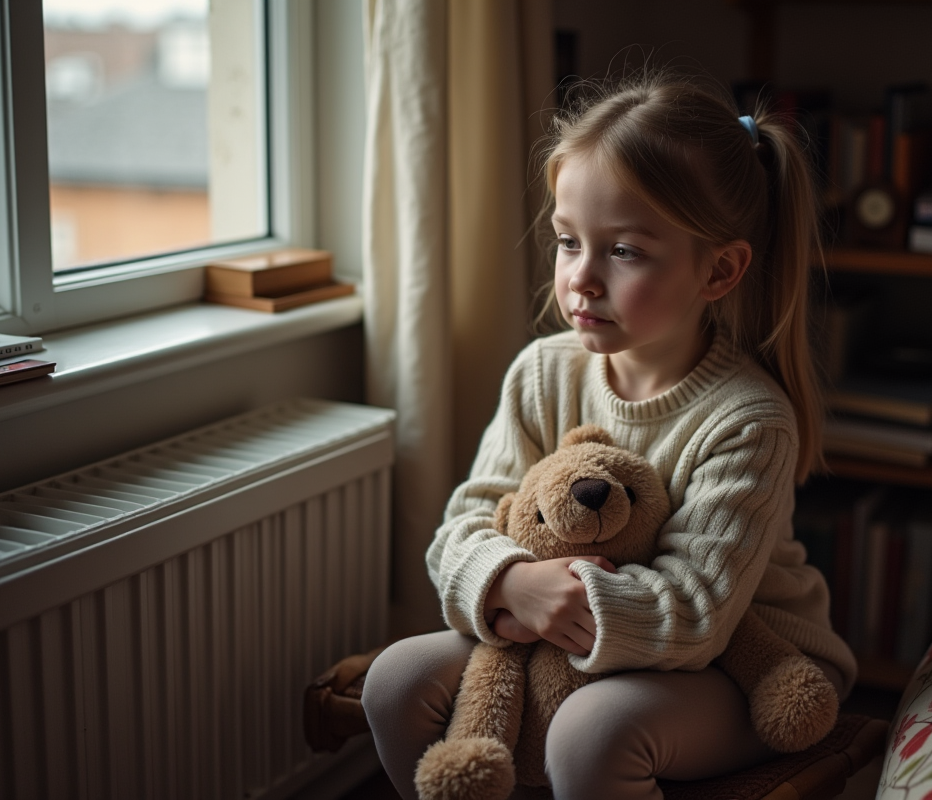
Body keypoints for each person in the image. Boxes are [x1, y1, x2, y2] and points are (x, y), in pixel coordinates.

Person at [362, 69, 857, 800]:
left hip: (744, 665)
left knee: (592, 731)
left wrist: (561, 598)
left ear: (718, 270)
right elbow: (464, 525)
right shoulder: (541, 373)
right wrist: (510, 580)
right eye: (568, 242)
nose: (581, 279)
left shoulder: (749, 419)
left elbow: (694, 614)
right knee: (395, 681)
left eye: (623, 251)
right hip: (557, 631)